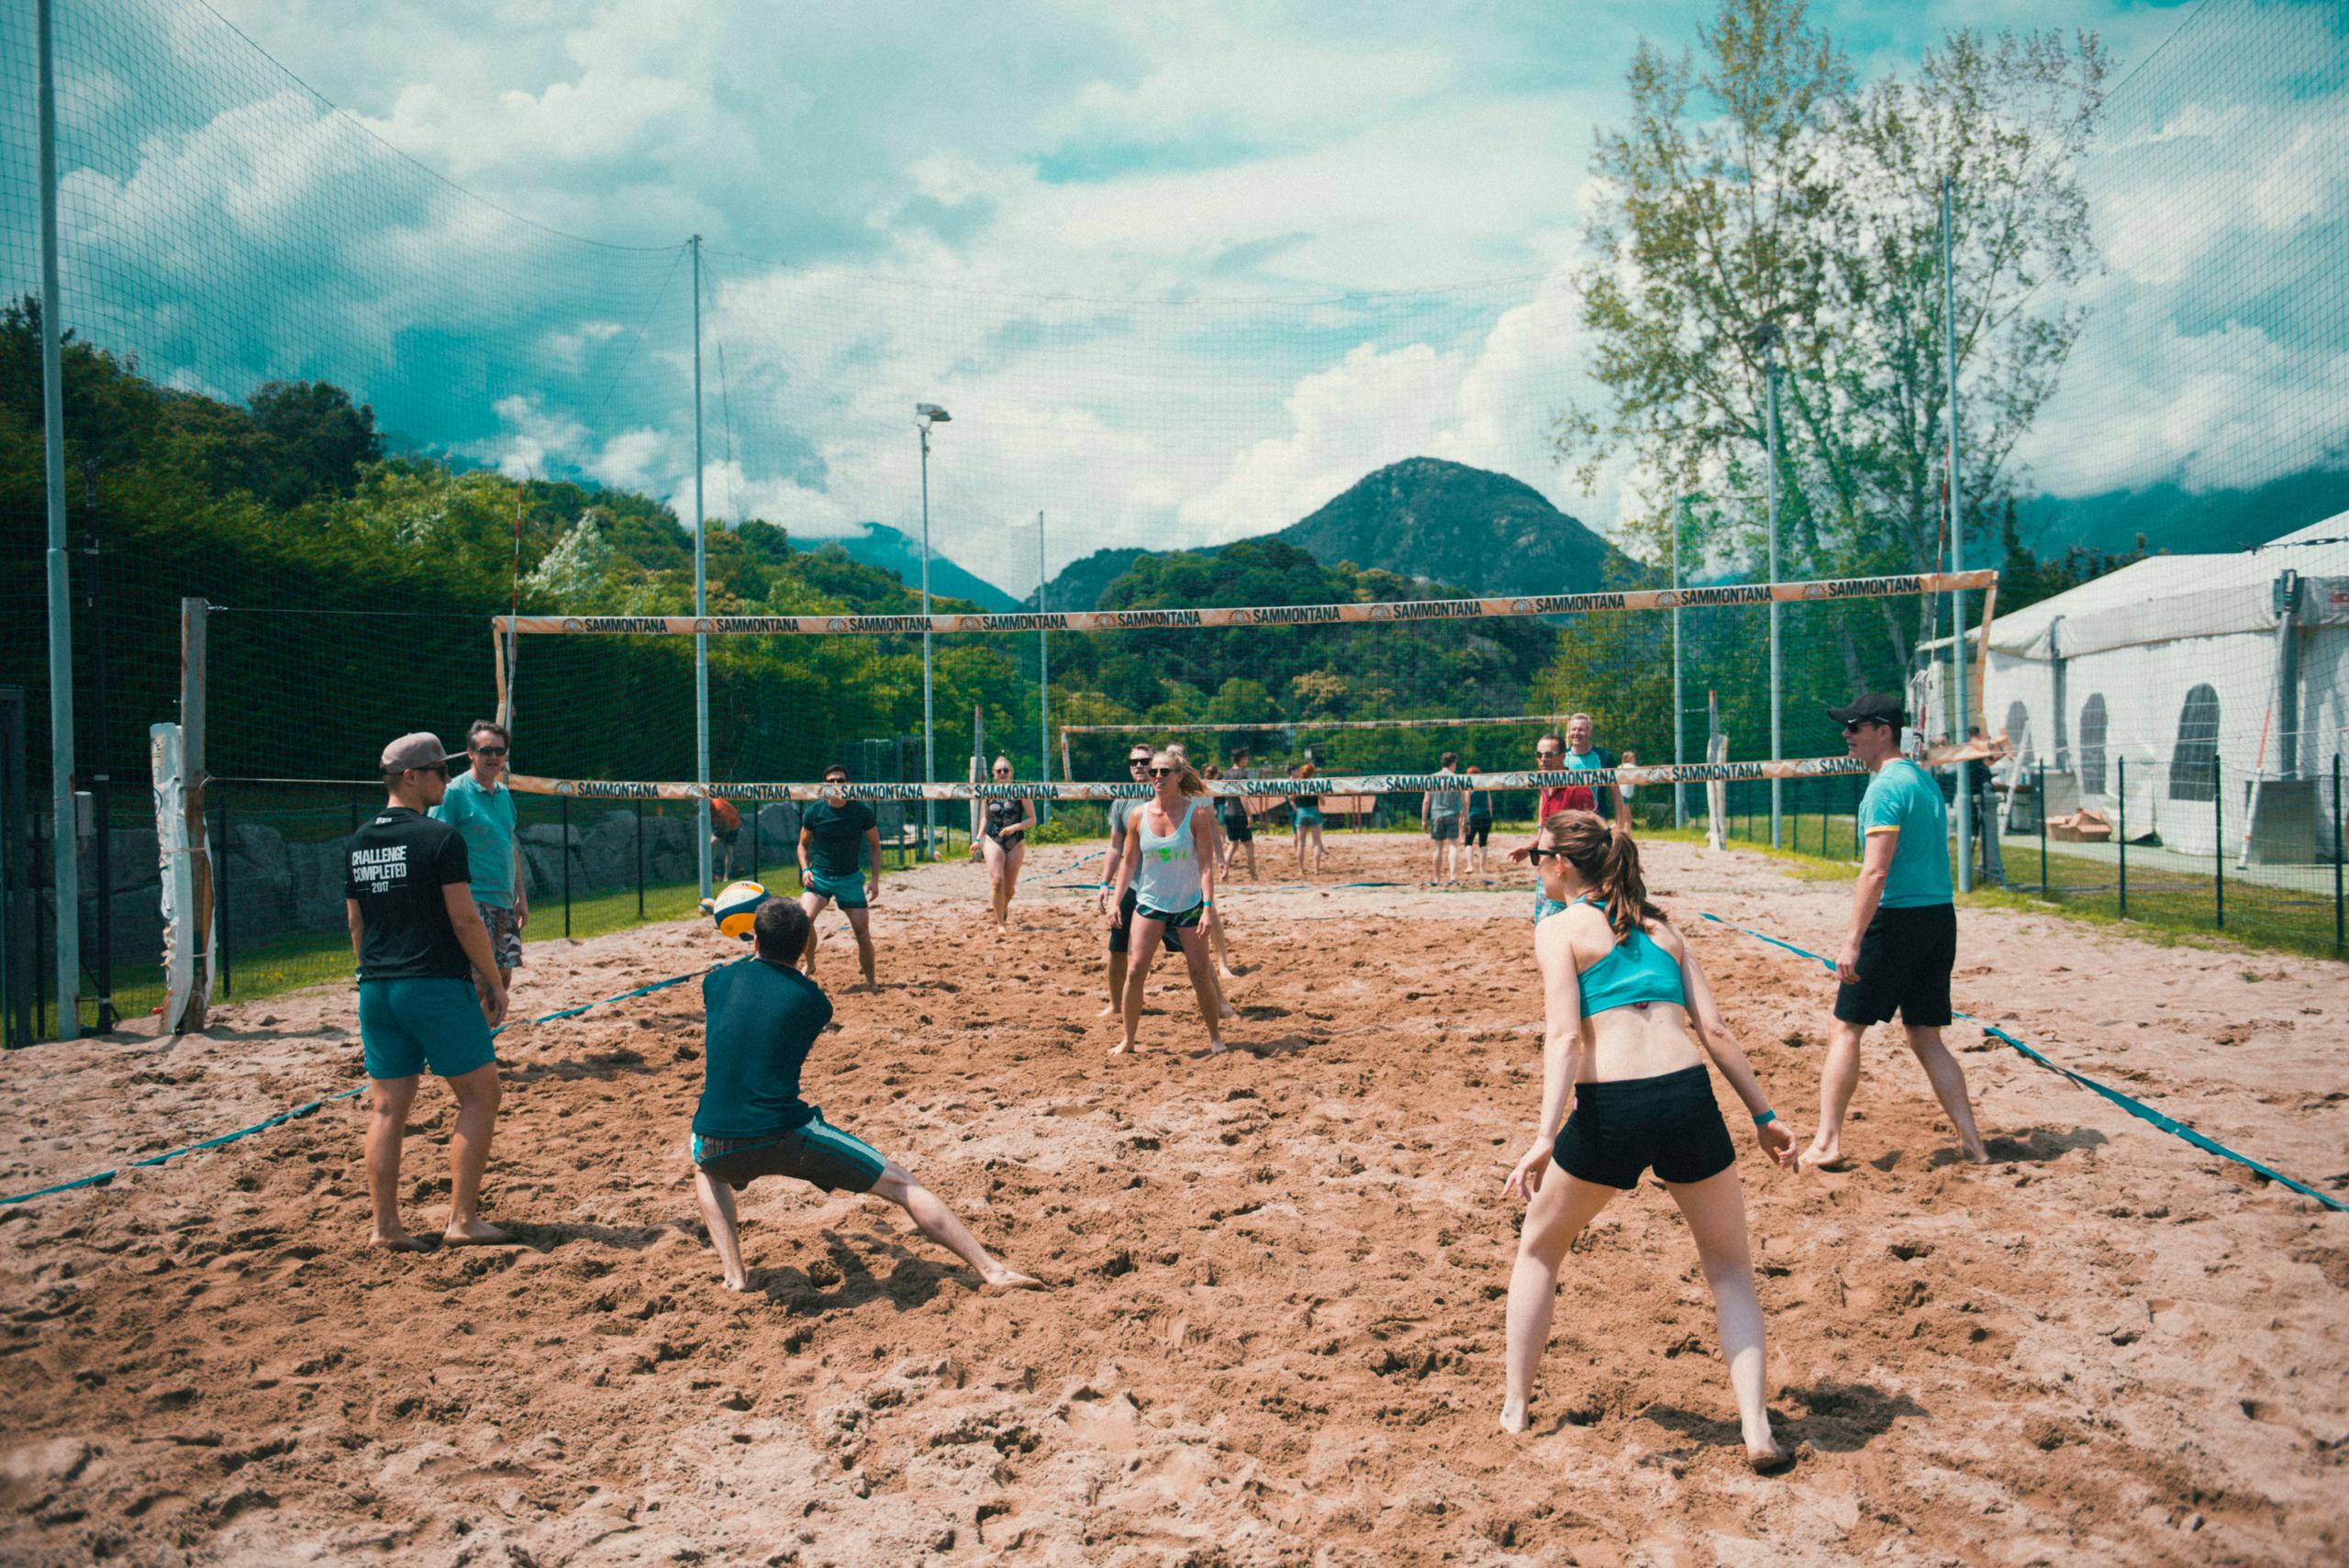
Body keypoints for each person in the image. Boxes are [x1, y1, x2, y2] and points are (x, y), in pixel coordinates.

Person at [1500, 809, 1796, 1469]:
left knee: (1540, 1248)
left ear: (1563, 866)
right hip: (1689, 1098)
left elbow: (1566, 1038)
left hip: (1614, 1105)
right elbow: (1715, 1030)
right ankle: (1756, 1427)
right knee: (1729, 1270)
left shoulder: (1557, 928)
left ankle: (1516, 1408)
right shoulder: (1666, 930)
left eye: (1536, 855)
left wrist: (1544, 1135)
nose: (1532, 863)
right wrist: (1763, 1113)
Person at [689, 896, 1043, 1296]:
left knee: (703, 1165)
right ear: (807, 946)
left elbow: (745, 980)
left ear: (754, 942)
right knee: (901, 1184)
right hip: (786, 1134)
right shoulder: (814, 1003)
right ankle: (991, 1269)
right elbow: (777, 986)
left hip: (718, 1138)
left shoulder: (715, 983)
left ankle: (735, 1275)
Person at [1800, 694, 1989, 1170]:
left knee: (1845, 1028)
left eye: (1854, 727)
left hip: (1898, 920)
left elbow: (1875, 873)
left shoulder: (1885, 788)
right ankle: (1973, 1142)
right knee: (1926, 1036)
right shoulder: (1923, 782)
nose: (1846, 735)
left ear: (1883, 731)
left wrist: (1852, 940)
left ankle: (1827, 1142)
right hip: (1938, 919)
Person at [346, 732, 510, 1251]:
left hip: (376, 987)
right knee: (481, 1094)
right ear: (411, 777)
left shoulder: (357, 842)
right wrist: (493, 980)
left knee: (388, 1110)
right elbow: (465, 920)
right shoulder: (439, 838)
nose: (446, 777)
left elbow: (356, 923)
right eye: (439, 770)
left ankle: (385, 1229)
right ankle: (462, 1220)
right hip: (433, 984)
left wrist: (371, 970)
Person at [1105, 750, 1226, 1055]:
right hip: (1151, 902)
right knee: (1135, 970)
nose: (1156, 775)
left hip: (1189, 904)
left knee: (1199, 972)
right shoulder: (1138, 815)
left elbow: (1206, 867)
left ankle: (1215, 1038)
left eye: (1164, 771)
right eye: (1154, 771)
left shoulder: (1195, 814)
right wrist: (1115, 901)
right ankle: (1129, 1040)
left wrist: (1209, 908)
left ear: (1179, 776)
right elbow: (1129, 863)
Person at [429, 719, 527, 1015]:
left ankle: (479, 1048)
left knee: (503, 979)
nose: (493, 757)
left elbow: (509, 845)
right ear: (470, 753)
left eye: (500, 751)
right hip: (471, 901)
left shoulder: (504, 794)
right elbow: (432, 844)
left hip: (503, 903)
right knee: (476, 982)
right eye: (485, 750)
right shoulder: (454, 793)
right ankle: (466, 1053)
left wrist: (520, 896)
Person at [1098, 742, 1173, 1018]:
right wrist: (1105, 884)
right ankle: (1116, 1005)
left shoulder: (1167, 795)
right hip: (1132, 885)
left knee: (1195, 955)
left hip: (1167, 886)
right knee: (1118, 949)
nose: (1139, 766)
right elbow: (1115, 847)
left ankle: (1221, 1004)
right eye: (1134, 762)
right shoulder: (1121, 800)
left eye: (1145, 761)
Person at [798, 763, 883, 989]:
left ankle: (871, 981)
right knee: (803, 920)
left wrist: (875, 880)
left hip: (850, 878)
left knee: (862, 933)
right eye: (831, 782)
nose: (836, 785)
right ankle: (810, 964)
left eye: (840, 781)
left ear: (848, 784)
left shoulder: (861, 810)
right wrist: (805, 869)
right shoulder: (814, 812)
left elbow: (875, 846)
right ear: (824, 786)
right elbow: (802, 845)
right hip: (820, 876)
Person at [972, 755, 1036, 928]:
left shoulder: (1021, 792)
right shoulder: (988, 793)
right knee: (997, 881)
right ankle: (1000, 924)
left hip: (1015, 840)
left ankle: (1003, 907)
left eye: (1005, 770)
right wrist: (978, 838)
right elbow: (985, 818)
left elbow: (1032, 819)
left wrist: (1014, 828)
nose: (1002, 773)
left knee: (1009, 889)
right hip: (994, 839)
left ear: (1011, 773)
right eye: (999, 771)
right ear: (993, 774)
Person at [1965, 726, 2005, 884]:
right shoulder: (1977, 745)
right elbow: (1991, 757)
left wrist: (1999, 748)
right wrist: (2000, 748)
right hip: (1976, 783)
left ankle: (1974, 832)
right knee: (1977, 817)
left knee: (1977, 818)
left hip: (1976, 784)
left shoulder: (1975, 744)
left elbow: (1990, 758)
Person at [1422, 751, 1467, 884]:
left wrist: (1424, 819)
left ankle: (1436, 879)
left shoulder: (1431, 778)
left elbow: (1426, 801)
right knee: (1453, 845)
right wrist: (1466, 818)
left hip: (1436, 815)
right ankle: (1453, 878)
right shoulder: (1458, 779)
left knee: (1438, 847)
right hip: (1452, 813)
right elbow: (1464, 802)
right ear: (1453, 764)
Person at [1219, 747, 1260, 882]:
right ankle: (1254, 875)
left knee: (1233, 844)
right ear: (1242, 758)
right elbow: (1243, 798)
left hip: (1229, 812)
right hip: (1240, 814)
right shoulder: (1242, 775)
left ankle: (1223, 873)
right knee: (1249, 845)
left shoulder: (1227, 774)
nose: (1247, 760)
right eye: (1246, 757)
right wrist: (1249, 815)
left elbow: (1225, 794)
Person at [1290, 760, 1326, 878]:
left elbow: (1291, 798)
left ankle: (1301, 870)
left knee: (1301, 844)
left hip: (1301, 813)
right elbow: (1323, 802)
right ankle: (1316, 869)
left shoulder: (1298, 784)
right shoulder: (1315, 785)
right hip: (1314, 813)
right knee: (1316, 843)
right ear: (1312, 774)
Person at [1463, 764, 1495, 878]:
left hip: (1473, 816)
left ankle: (1470, 865)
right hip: (1486, 816)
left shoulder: (1469, 787)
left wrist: (1464, 819)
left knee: (1468, 841)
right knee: (1483, 842)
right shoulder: (1485, 787)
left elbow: (1466, 803)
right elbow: (1489, 803)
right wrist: (1490, 816)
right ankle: (1482, 868)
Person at [709, 795, 744, 882]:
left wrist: (723, 836)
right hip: (722, 823)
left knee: (728, 849)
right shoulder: (706, 804)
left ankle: (726, 876)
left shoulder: (719, 807)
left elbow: (726, 826)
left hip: (733, 824)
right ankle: (710, 872)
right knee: (712, 843)